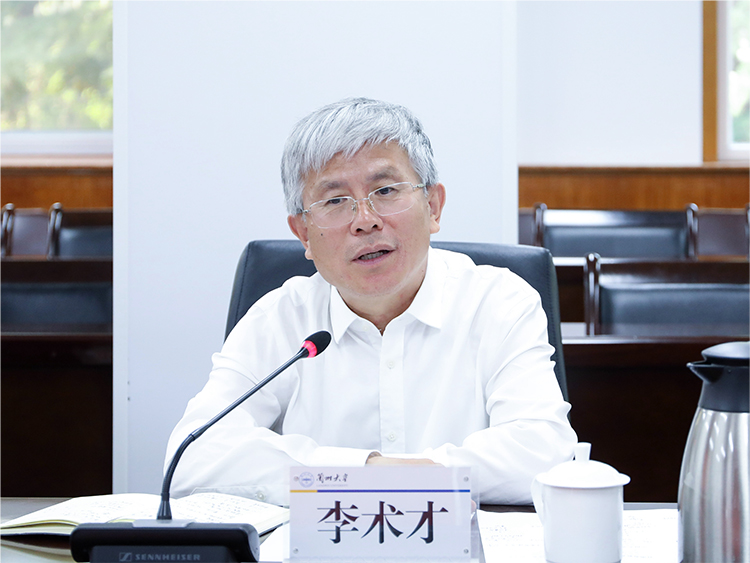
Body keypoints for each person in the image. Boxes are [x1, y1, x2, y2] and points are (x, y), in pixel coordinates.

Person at [165, 98, 577, 506]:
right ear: (303, 234)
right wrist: (369, 471)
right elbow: (192, 457)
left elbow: (544, 451)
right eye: (334, 201)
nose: (365, 220)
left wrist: (350, 478)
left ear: (433, 207)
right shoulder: (279, 319)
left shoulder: (499, 302)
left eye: (386, 190)